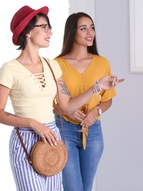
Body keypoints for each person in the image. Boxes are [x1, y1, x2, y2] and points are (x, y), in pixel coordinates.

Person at [0, 5, 123, 191]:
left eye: (49, 27)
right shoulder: (9, 69)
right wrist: (33, 123)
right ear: (28, 32)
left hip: (53, 136)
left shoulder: (52, 66)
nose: (49, 32)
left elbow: (67, 106)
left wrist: (97, 87)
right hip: (26, 137)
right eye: (44, 27)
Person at [54, 12, 119, 191]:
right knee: (73, 187)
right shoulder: (56, 64)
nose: (90, 32)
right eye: (83, 28)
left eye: (91, 28)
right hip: (64, 130)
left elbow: (107, 100)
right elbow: (52, 105)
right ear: (71, 33)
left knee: (86, 187)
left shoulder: (102, 63)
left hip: (93, 133)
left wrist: (96, 112)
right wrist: (67, 109)